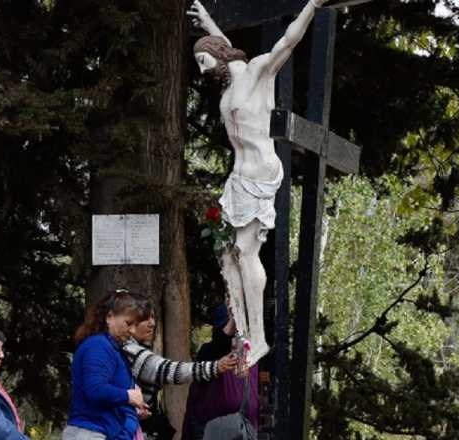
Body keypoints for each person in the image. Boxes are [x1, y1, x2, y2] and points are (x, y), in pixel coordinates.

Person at [187, 0, 327, 367]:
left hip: (260, 172)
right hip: (238, 175)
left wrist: (312, 5)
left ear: (216, 56)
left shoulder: (260, 71)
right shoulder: (231, 79)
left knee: (246, 251)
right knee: (225, 253)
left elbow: (288, 42)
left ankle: (258, 337)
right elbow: (224, 49)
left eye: (204, 63)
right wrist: (209, 24)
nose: (203, 72)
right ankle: (242, 326)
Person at [121, 310, 238, 440]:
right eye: (145, 318)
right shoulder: (129, 351)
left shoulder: (247, 353)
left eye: (153, 317)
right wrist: (216, 367)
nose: (152, 323)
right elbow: (169, 371)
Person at [63, 290, 150, 440]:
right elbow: (95, 389)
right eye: (128, 323)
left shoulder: (112, 347)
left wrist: (131, 408)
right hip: (90, 433)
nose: (133, 331)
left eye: (136, 325)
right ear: (109, 317)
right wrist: (128, 396)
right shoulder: (98, 346)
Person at [181, 305, 258, 440]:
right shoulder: (209, 354)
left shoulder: (252, 358)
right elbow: (219, 343)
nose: (237, 337)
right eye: (233, 332)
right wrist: (232, 324)